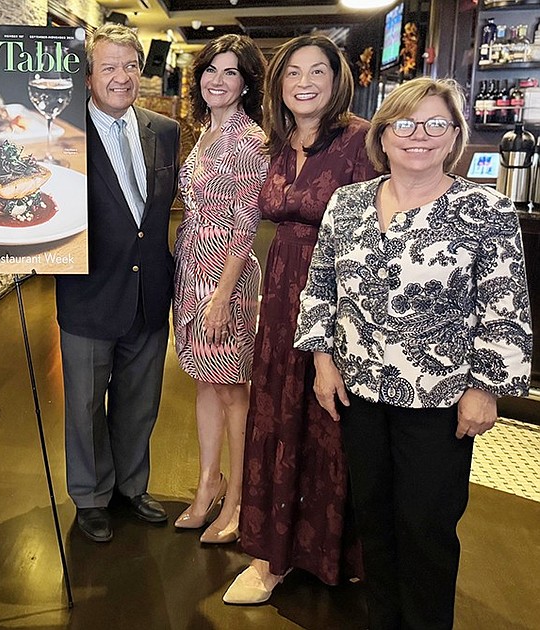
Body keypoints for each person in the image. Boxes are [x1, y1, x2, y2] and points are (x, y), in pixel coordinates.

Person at [295, 77, 531, 629]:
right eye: (404, 123)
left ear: (454, 138)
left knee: (426, 528)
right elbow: (320, 287)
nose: (418, 136)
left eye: (435, 125)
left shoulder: (484, 208)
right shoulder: (348, 203)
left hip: (440, 399)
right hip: (360, 393)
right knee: (373, 521)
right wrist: (323, 362)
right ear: (383, 134)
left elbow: (505, 305)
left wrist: (484, 388)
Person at [224, 35, 379, 605]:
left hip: (341, 293)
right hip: (281, 294)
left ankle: (336, 554)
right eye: (293, 72)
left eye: (319, 70)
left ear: (339, 79)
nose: (305, 81)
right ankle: (274, 555)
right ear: (278, 84)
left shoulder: (363, 140)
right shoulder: (278, 143)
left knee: (332, 422)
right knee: (278, 414)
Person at [55, 23, 181, 543]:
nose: (122, 77)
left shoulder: (164, 129)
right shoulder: (59, 136)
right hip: (88, 293)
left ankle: (132, 486)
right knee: (84, 406)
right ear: (88, 77)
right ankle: (90, 496)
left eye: (130, 65)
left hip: (150, 290)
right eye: (109, 67)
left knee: (140, 400)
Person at [171, 34, 268, 545]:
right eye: (211, 69)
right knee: (204, 380)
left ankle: (240, 499)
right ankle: (209, 483)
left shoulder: (250, 140)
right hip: (190, 264)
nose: (218, 79)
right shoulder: (204, 132)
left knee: (233, 388)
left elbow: (246, 225)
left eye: (231, 72)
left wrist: (222, 295)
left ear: (246, 83)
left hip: (224, 270)